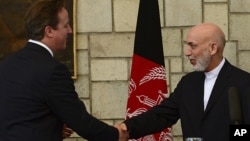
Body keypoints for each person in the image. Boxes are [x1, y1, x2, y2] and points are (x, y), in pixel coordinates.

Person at [0, 0, 127, 141]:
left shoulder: (7, 64)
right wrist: (117, 135)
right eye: (65, 25)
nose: (70, 30)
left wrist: (52, 127)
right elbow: (81, 122)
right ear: (49, 31)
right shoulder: (53, 70)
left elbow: (22, 115)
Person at [116, 23, 250, 141]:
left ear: (212, 48)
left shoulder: (244, 82)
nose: (187, 52)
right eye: (187, 45)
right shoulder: (188, 83)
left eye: (192, 46)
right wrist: (127, 128)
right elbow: (162, 115)